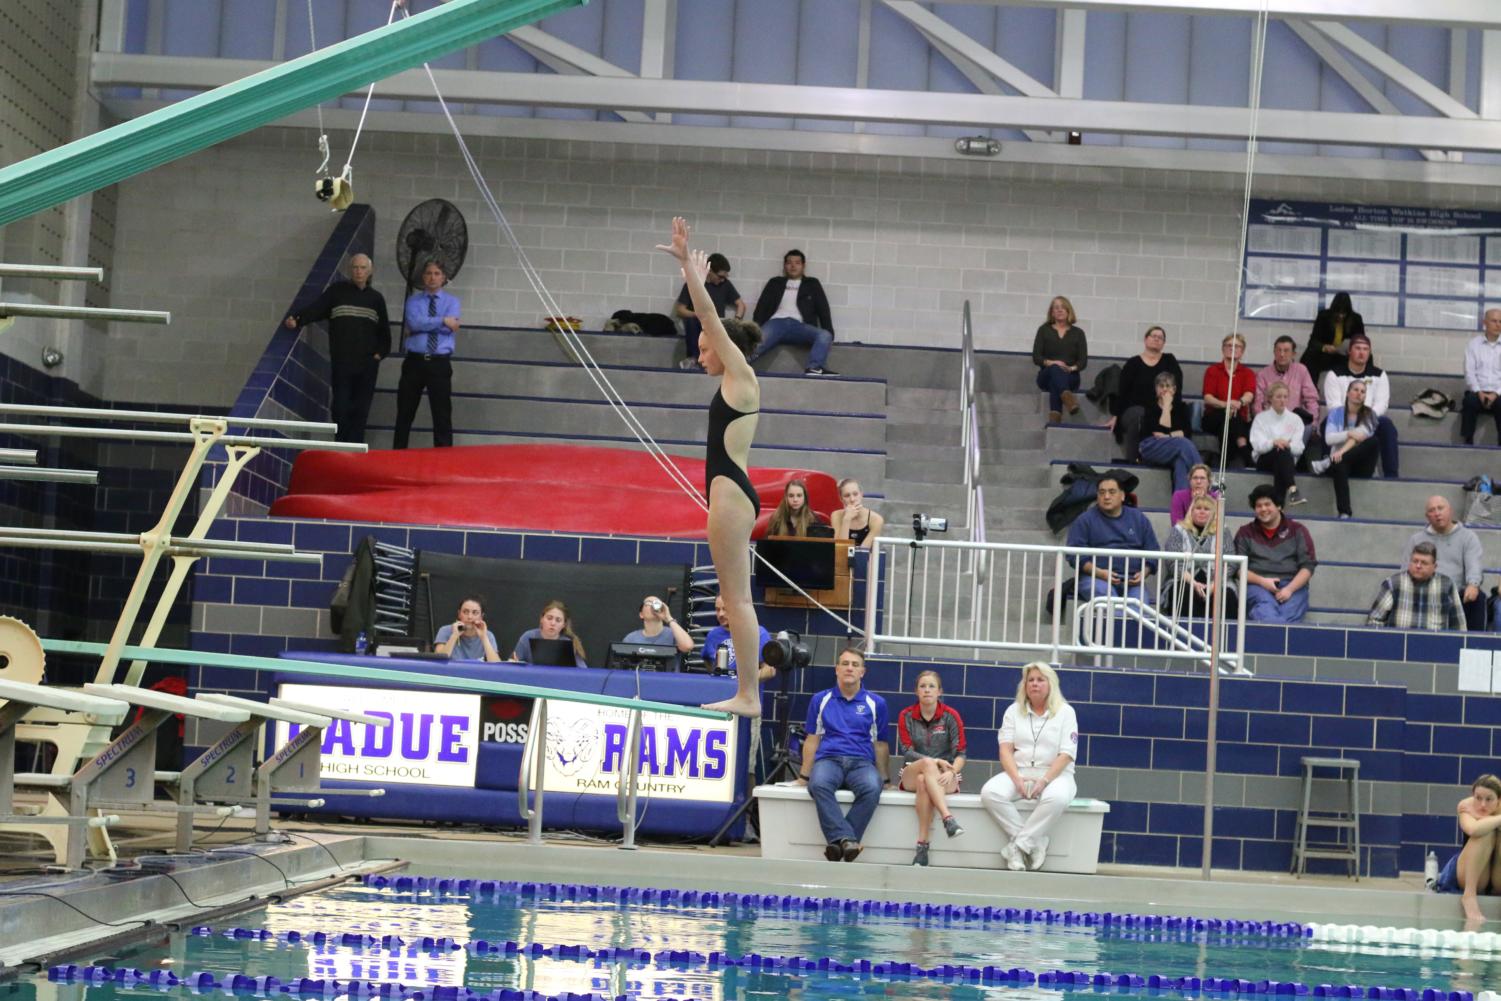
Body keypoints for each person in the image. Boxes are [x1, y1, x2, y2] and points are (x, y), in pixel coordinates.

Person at [658, 217, 765, 716]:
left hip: (731, 497)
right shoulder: (733, 383)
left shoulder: (741, 375)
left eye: (705, 349)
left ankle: (748, 694)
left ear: (727, 350)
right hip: (729, 494)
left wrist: (688, 269)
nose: (700, 355)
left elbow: (706, 315)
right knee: (735, 598)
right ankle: (747, 692)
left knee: (737, 601)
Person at [980, 662, 1079, 872]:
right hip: (1020, 771)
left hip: (1057, 775)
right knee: (990, 792)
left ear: (1050, 684)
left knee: (1057, 798)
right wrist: (1016, 779)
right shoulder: (1013, 711)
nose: (1035, 684)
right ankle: (1036, 842)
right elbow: (1005, 750)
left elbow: (1067, 754)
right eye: (1030, 680)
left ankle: (1018, 846)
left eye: (1040, 680)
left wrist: (1044, 781)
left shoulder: (1066, 712)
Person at [283, 253, 390, 444]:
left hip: (366, 364)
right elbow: (317, 308)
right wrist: (298, 319)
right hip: (342, 362)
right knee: (340, 407)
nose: (359, 272)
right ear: (350, 270)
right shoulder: (337, 292)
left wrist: (377, 356)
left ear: (370, 271)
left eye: (363, 268)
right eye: (355, 267)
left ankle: (355, 449)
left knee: (361, 408)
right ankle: (341, 445)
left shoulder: (376, 300)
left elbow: (385, 334)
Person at [797, 647, 890, 862]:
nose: (850, 668)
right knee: (818, 784)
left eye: (855, 665)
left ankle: (838, 842)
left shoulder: (877, 703)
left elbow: (881, 744)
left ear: (862, 672)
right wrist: (804, 776)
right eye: (845, 664)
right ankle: (848, 841)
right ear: (836, 669)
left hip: (861, 763)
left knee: (872, 787)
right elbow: (813, 739)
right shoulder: (820, 699)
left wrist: (884, 779)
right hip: (829, 759)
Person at [896, 670, 968, 866]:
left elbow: (961, 753)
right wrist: (935, 762)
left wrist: (953, 771)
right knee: (926, 767)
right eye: (922, 686)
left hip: (946, 774)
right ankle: (948, 818)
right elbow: (907, 751)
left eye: (931, 686)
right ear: (916, 691)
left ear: (939, 691)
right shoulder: (906, 715)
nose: (927, 690)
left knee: (924, 781)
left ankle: (922, 847)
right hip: (912, 769)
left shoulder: (951, 716)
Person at [393, 259, 461, 449]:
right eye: (429, 273)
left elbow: (451, 327)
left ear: (444, 278)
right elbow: (414, 323)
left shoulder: (452, 302)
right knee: (405, 412)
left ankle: (443, 458)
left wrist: (429, 324)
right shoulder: (413, 301)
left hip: (439, 364)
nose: (432, 277)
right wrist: (442, 320)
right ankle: (398, 455)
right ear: (423, 277)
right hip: (414, 363)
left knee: (442, 414)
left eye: (437, 273)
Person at [1065, 475, 1159, 602]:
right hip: (1095, 579)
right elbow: (1074, 555)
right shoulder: (1085, 520)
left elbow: (1153, 552)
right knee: (1109, 601)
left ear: (1122, 496)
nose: (1106, 496)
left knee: (1139, 607)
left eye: (1112, 492)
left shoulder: (1139, 519)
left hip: (1132, 582)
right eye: (1102, 492)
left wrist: (1144, 573)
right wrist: (1101, 573)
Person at [1234, 484, 1316, 624]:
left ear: (1279, 506)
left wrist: (1289, 589)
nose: (1263, 509)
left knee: (1289, 614)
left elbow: (1308, 566)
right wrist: (1263, 582)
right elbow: (1237, 569)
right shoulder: (1245, 532)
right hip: (1257, 585)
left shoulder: (1298, 530)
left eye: (1268, 504)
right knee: (1265, 609)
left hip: (1293, 586)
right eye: (1259, 506)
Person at [1405, 495, 1487, 632]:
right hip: (1423, 591)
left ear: (1450, 510)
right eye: (1432, 510)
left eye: (1440, 508)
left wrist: (1473, 584)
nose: (1437, 513)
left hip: (1456, 593)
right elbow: (1406, 570)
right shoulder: (1416, 539)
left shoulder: (1468, 537)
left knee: (1477, 597)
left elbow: (1474, 565)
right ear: (1427, 516)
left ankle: (1474, 645)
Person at [1321, 334, 1398, 478]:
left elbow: (1382, 404)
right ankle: (1327, 466)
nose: (1362, 352)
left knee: (1386, 425)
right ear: (1349, 351)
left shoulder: (1379, 374)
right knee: (1327, 423)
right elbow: (1334, 405)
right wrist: (1352, 416)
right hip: (1343, 417)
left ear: (1369, 353)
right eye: (1357, 348)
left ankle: (1391, 476)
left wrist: (1364, 418)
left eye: (1365, 349)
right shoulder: (1334, 374)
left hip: (1369, 419)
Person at [750, 248, 836, 376]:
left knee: (825, 335)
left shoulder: (812, 284)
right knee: (757, 344)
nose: (793, 266)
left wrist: (829, 332)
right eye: (789, 262)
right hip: (776, 323)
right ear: (785, 266)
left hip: (799, 326)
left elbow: (823, 309)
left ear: (803, 266)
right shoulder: (775, 283)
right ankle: (735, 365)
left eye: (797, 262)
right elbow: (761, 308)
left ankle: (814, 367)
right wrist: (753, 331)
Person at [1431, 775, 1501, 925]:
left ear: (1499, 800)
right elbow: (1472, 829)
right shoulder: (1466, 805)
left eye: (1489, 799)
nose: (1482, 805)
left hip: (1498, 877)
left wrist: (1483, 820)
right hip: (1473, 876)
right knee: (1483, 834)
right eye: (1478, 798)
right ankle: (1469, 895)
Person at [1106, 326, 1182, 463]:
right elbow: (1122, 391)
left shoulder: (1169, 360)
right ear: (1146, 339)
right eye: (1153, 336)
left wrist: (1170, 406)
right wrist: (1116, 415)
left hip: (1161, 409)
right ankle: (1134, 460)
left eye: (1160, 338)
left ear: (1164, 343)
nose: (1157, 339)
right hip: (1134, 410)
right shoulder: (1133, 363)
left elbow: (1177, 387)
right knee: (1140, 415)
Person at [1310, 379, 1381, 520]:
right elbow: (1329, 439)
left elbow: (1360, 436)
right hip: (1340, 464)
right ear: (1348, 393)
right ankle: (1345, 512)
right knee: (1340, 464)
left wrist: (1341, 451)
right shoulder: (1336, 413)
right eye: (1355, 390)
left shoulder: (1369, 414)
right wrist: (1348, 433)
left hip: (1362, 466)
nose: (1359, 394)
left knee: (1373, 441)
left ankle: (1327, 462)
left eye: (1363, 391)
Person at [1163, 495, 1236, 618]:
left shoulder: (1223, 532)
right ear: (1191, 511)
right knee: (1183, 591)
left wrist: (1214, 585)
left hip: (1217, 580)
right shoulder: (1178, 530)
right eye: (1198, 508)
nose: (1202, 511)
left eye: (1207, 509)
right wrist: (1194, 583)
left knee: (1226, 594)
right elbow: (1173, 563)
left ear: (1213, 513)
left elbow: (1231, 563)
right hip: (1185, 579)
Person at [1367, 542, 1466, 631]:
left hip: (1435, 647)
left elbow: (1459, 626)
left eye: (1424, 563)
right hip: (1397, 646)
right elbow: (1374, 621)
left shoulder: (1447, 585)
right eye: (1415, 561)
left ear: (1434, 567)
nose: (1418, 566)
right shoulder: (1393, 583)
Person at [675, 251, 744, 371]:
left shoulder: (725, 285)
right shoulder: (693, 283)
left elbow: (741, 305)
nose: (722, 280)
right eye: (720, 276)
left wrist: (736, 319)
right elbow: (680, 310)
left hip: (717, 323)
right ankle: (695, 359)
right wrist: (698, 315)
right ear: (710, 272)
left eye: (725, 277)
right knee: (692, 320)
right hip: (699, 322)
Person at [1135, 371, 1201, 492]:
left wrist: (1168, 436)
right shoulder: (1150, 407)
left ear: (1174, 389)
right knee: (1182, 443)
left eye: (1168, 386)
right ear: (1156, 389)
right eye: (1161, 386)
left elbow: (1186, 433)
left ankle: (1182, 505)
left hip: (1173, 449)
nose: (1165, 389)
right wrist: (1166, 406)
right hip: (1150, 447)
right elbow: (1162, 429)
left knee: (1181, 463)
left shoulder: (1181, 408)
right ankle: (1205, 482)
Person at [1250, 382, 1307, 508]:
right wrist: (1273, 442)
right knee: (1281, 452)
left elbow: (1299, 448)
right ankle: (1292, 490)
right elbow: (1258, 446)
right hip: (1264, 459)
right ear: (1270, 398)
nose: (1282, 400)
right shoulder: (1261, 418)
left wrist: (1288, 445)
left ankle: (1280, 505)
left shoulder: (1295, 419)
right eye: (1278, 397)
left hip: (1285, 459)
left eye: (1285, 397)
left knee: (1282, 454)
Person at [1202, 333, 1256, 467]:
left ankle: (1223, 462)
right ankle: (1244, 450)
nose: (1232, 348)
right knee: (1229, 417)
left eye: (1237, 346)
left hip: (1236, 417)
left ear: (1242, 351)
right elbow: (1208, 397)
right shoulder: (1213, 370)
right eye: (1229, 345)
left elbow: (1249, 394)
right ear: (1222, 349)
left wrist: (1238, 403)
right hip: (1213, 416)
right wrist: (1226, 405)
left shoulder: (1247, 373)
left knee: (1230, 422)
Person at [1031, 296, 1087, 424]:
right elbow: (1036, 357)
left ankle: (1055, 418)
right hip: (1046, 374)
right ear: (1052, 312)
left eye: (1063, 307)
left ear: (1068, 311)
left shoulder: (1078, 333)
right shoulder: (1044, 330)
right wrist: (1052, 363)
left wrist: (1070, 368)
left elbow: (1082, 362)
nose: (1059, 310)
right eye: (1056, 307)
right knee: (1055, 369)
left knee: (1055, 383)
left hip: (1071, 377)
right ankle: (1069, 400)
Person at [701, 595, 775, 680]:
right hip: (721, 691)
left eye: (725, 609)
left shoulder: (758, 634)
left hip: (747, 692)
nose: (720, 614)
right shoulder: (713, 635)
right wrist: (717, 679)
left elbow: (770, 670)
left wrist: (741, 682)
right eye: (718, 609)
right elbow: (707, 659)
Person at [1254, 334, 1321, 426]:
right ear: (1274, 352)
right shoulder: (1263, 374)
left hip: (1296, 423)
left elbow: (1311, 400)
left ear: (1293, 354)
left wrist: (1312, 424)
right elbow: (1258, 404)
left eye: (1286, 351)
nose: (1282, 354)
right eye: (1279, 350)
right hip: (1270, 423)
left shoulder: (1301, 370)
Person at [1302, 291, 1365, 386]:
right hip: (1326, 355)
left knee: (1366, 357)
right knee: (1309, 356)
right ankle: (1311, 391)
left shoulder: (1356, 319)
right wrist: (1324, 347)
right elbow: (1313, 341)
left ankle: (1359, 388)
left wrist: (1353, 349)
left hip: (1345, 356)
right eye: (1338, 313)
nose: (1341, 316)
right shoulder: (1323, 316)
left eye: (1344, 314)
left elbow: (1361, 341)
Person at [621, 595, 695, 667]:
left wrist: (668, 618)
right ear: (641, 614)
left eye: (656, 603)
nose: (652, 606)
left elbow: (687, 646)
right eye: (648, 603)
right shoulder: (631, 638)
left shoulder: (673, 633)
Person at [1462, 309, 1501, 445]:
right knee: (1469, 402)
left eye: (1500, 321)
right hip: (1478, 391)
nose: (1498, 325)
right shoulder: (1473, 344)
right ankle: (1468, 441)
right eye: (1494, 321)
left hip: (1499, 393)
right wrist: (1479, 392)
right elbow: (1469, 372)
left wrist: (1495, 394)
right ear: (1485, 323)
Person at [512, 599, 587, 667]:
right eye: (549, 618)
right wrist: (514, 664)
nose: (553, 623)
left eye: (558, 620)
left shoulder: (568, 644)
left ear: (564, 625)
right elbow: (512, 664)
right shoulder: (527, 637)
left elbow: (583, 672)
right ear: (542, 619)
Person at [433, 594, 501, 662]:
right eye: (465, 612)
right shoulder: (445, 631)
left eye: (475, 613)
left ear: (481, 616)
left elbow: (497, 666)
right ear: (459, 614)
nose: (470, 617)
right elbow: (438, 661)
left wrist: (484, 638)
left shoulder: (488, 635)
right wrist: (454, 636)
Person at [831, 477, 884, 548]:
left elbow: (863, 552)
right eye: (847, 496)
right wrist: (846, 519)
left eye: (855, 494)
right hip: (842, 557)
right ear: (841, 499)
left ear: (861, 495)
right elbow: (840, 549)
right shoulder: (836, 515)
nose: (852, 499)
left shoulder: (876, 519)